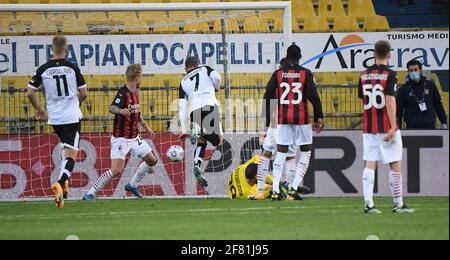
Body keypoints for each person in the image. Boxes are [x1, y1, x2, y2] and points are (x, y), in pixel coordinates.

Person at [27, 35, 88, 209]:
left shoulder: (43, 69)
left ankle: (64, 184)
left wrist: (39, 109)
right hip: (71, 116)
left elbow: (30, 92)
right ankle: (60, 183)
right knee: (72, 154)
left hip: (54, 118)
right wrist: (78, 104)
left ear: (51, 49)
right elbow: (84, 93)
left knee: (65, 148)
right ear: (66, 49)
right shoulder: (72, 68)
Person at [83, 64, 157, 201]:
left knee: (152, 160)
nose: (142, 80)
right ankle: (90, 193)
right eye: (141, 77)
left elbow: (137, 113)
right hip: (121, 138)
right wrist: (121, 111)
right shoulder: (123, 93)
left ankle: (132, 185)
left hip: (134, 137)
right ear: (137, 77)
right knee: (116, 170)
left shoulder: (135, 92)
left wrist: (146, 127)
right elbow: (112, 108)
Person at [358, 40, 414, 214]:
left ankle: (369, 204)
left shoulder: (363, 74)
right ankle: (398, 204)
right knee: (395, 163)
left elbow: (363, 99)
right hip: (386, 126)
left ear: (374, 53)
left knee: (370, 163)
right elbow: (390, 99)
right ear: (389, 54)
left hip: (369, 126)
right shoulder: (391, 74)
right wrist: (393, 126)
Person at [263, 44, 324, 201]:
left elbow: (268, 94)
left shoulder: (278, 74)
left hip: (283, 119)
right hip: (302, 120)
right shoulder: (306, 73)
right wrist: (319, 117)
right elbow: (314, 97)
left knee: (281, 154)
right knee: (305, 152)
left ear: (287, 56)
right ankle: (293, 187)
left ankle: (275, 190)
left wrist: (268, 118)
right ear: (299, 57)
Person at [256, 58, 302, 201]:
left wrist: (265, 124)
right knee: (289, 157)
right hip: (292, 124)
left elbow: (267, 98)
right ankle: (290, 192)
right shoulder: (298, 80)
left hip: (276, 123)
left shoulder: (277, 78)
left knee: (266, 154)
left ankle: (259, 191)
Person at [178, 57, 223, 187]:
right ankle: (200, 130)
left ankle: (197, 164)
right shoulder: (205, 69)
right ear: (197, 64)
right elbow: (218, 77)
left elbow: (182, 106)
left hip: (194, 110)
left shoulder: (183, 81)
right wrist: (216, 87)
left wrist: (184, 130)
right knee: (218, 141)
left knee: (201, 141)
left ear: (186, 68)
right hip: (209, 105)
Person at [397, 59, 448, 129]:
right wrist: (398, 127)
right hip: (411, 128)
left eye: (415, 70)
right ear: (408, 72)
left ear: (420, 70)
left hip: (430, 127)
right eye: (411, 70)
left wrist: (443, 122)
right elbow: (399, 111)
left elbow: (438, 104)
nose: (413, 72)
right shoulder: (403, 90)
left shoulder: (430, 85)